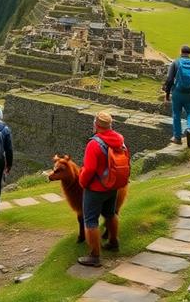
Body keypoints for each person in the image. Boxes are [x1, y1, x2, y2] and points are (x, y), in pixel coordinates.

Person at [77, 111, 129, 267]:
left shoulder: (94, 143)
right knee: (110, 213)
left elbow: (89, 169)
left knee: (90, 221)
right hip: (113, 185)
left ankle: (94, 256)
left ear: (96, 125)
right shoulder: (119, 141)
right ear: (110, 125)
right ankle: (113, 242)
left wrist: (82, 182)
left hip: (96, 188)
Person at [162, 45, 190, 147]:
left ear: (181, 52)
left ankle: (177, 138)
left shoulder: (175, 63)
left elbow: (169, 79)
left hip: (177, 92)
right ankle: (189, 128)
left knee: (176, 114)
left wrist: (167, 93)